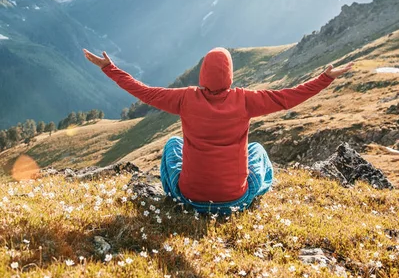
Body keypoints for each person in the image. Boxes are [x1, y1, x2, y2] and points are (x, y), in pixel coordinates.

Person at [83, 47, 353, 214]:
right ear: (229, 75)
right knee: (257, 150)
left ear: (202, 74)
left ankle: (173, 194)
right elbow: (288, 97)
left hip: (189, 196)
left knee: (171, 146)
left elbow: (142, 91)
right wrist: (325, 78)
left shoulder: (185, 98)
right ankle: (256, 194)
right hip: (236, 199)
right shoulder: (246, 100)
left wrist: (110, 68)